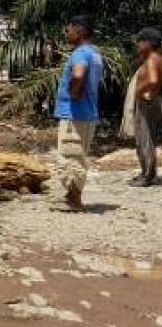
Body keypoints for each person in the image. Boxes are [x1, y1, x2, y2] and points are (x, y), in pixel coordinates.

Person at [53, 15, 104, 210]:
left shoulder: (81, 53)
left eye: (70, 30)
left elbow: (78, 74)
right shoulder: (95, 53)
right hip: (88, 113)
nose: (68, 33)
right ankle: (72, 196)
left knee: (69, 156)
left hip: (75, 113)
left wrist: (74, 92)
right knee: (78, 154)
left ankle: (74, 200)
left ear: (80, 31)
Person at [130, 27, 162, 187]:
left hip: (147, 103)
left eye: (140, 41)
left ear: (148, 43)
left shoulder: (151, 60)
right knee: (147, 138)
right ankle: (148, 173)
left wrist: (138, 89)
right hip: (152, 102)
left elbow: (153, 80)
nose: (138, 45)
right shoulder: (157, 58)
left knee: (145, 138)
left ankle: (147, 175)